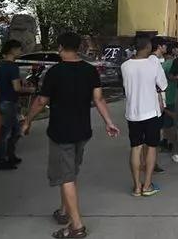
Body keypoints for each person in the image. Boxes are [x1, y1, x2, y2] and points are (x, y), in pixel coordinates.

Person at [22, 32, 120, 239]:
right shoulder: (90, 70)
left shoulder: (55, 72)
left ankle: (76, 226)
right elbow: (99, 99)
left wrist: (28, 120)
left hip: (61, 133)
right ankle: (63, 211)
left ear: (60, 47)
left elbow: (41, 101)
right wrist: (109, 122)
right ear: (79, 48)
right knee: (70, 172)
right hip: (82, 131)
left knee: (66, 177)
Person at [121, 35, 167, 197]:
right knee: (152, 147)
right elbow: (163, 85)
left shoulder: (125, 66)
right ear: (147, 47)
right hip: (151, 112)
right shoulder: (153, 64)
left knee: (136, 148)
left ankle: (136, 187)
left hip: (133, 113)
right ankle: (147, 185)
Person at [0, 39, 34, 170]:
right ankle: (2, 160)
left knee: (15, 130)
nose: (21, 52)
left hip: (2, 100)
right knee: (6, 132)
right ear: (12, 50)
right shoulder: (12, 66)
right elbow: (16, 88)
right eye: (19, 49)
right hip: (9, 102)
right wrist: (30, 90)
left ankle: (10, 155)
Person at [148, 36, 167, 173]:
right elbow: (161, 85)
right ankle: (151, 163)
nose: (166, 48)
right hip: (155, 103)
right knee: (153, 138)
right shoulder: (154, 62)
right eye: (165, 45)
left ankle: (150, 162)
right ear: (159, 46)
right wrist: (160, 100)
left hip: (150, 102)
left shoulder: (150, 60)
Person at [160, 43, 178, 153]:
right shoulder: (174, 64)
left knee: (166, 122)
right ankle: (169, 142)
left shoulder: (163, 65)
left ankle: (167, 141)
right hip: (173, 96)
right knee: (170, 122)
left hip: (165, 97)